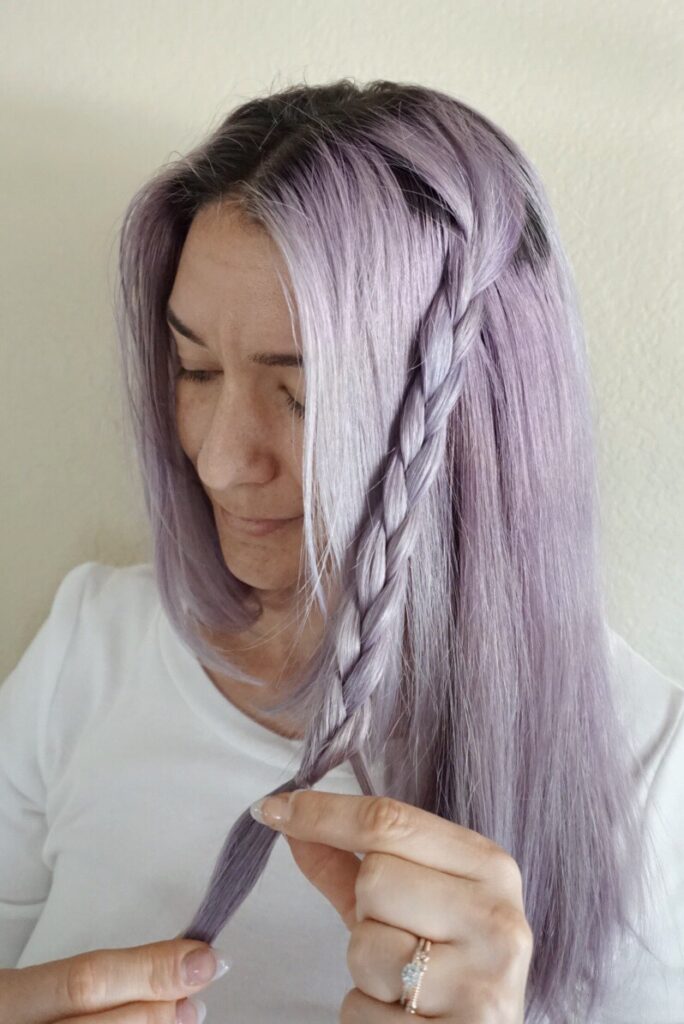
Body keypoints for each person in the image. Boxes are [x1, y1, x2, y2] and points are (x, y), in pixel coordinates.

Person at [1, 79, 682, 1024]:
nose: (221, 458)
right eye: (195, 369)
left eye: (305, 394)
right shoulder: (90, 646)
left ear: (475, 421)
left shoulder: (647, 770)